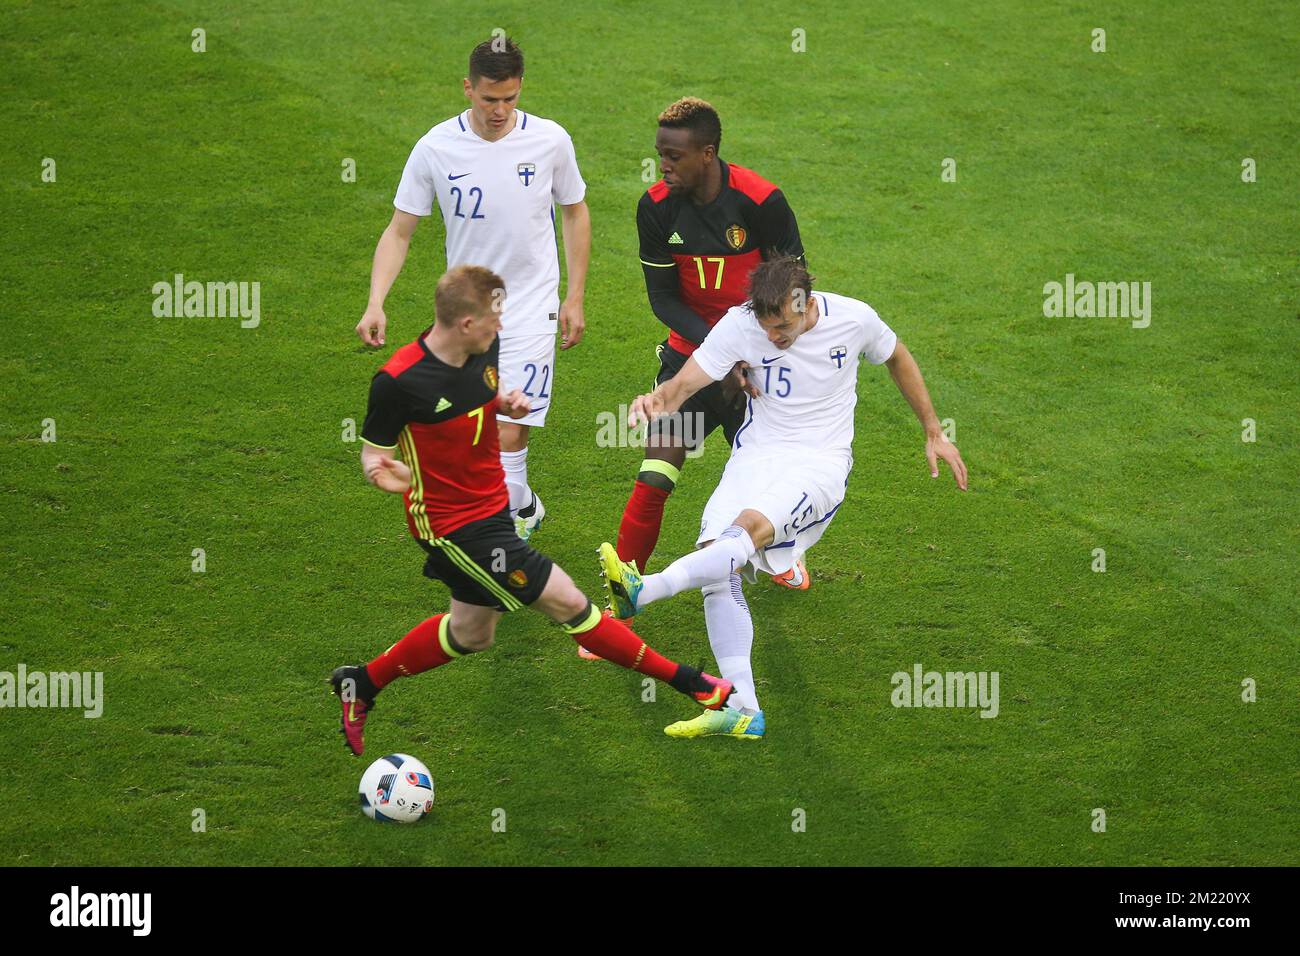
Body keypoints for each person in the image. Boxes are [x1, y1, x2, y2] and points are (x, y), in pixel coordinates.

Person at [331, 266, 732, 755]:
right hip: (453, 527)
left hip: (492, 506)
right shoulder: (399, 382)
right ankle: (697, 686)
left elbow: (481, 390)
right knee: (569, 603)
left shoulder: (483, 347)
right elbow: (374, 455)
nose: (502, 329)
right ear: (463, 323)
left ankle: (361, 683)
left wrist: (507, 402)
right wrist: (389, 475)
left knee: (470, 632)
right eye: (493, 321)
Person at [599, 256, 968, 739]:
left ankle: (644, 590)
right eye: (767, 327)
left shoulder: (854, 318)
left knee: (743, 533)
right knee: (717, 560)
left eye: (784, 327)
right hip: (755, 456)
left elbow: (896, 354)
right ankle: (743, 708)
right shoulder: (740, 324)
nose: (774, 336)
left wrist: (933, 431)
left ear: (808, 304)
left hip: (819, 463)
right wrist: (655, 400)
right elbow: (683, 385)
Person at [355, 36, 590, 541]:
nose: (500, 110)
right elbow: (400, 230)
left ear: (520, 88)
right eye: (489, 99)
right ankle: (523, 508)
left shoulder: (550, 141)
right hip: (466, 316)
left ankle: (505, 543)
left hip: (531, 309)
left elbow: (574, 211)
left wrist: (573, 296)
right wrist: (377, 300)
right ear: (468, 88)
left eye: (510, 98)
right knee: (473, 431)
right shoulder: (436, 147)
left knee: (509, 431)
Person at [614, 97, 809, 588]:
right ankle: (622, 597)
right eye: (660, 153)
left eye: (674, 156)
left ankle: (781, 555)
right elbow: (663, 298)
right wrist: (720, 352)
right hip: (691, 360)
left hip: (759, 364)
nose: (664, 166)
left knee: (770, 484)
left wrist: (753, 348)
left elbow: (795, 286)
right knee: (655, 476)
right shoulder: (656, 208)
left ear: (708, 153)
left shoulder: (761, 202)